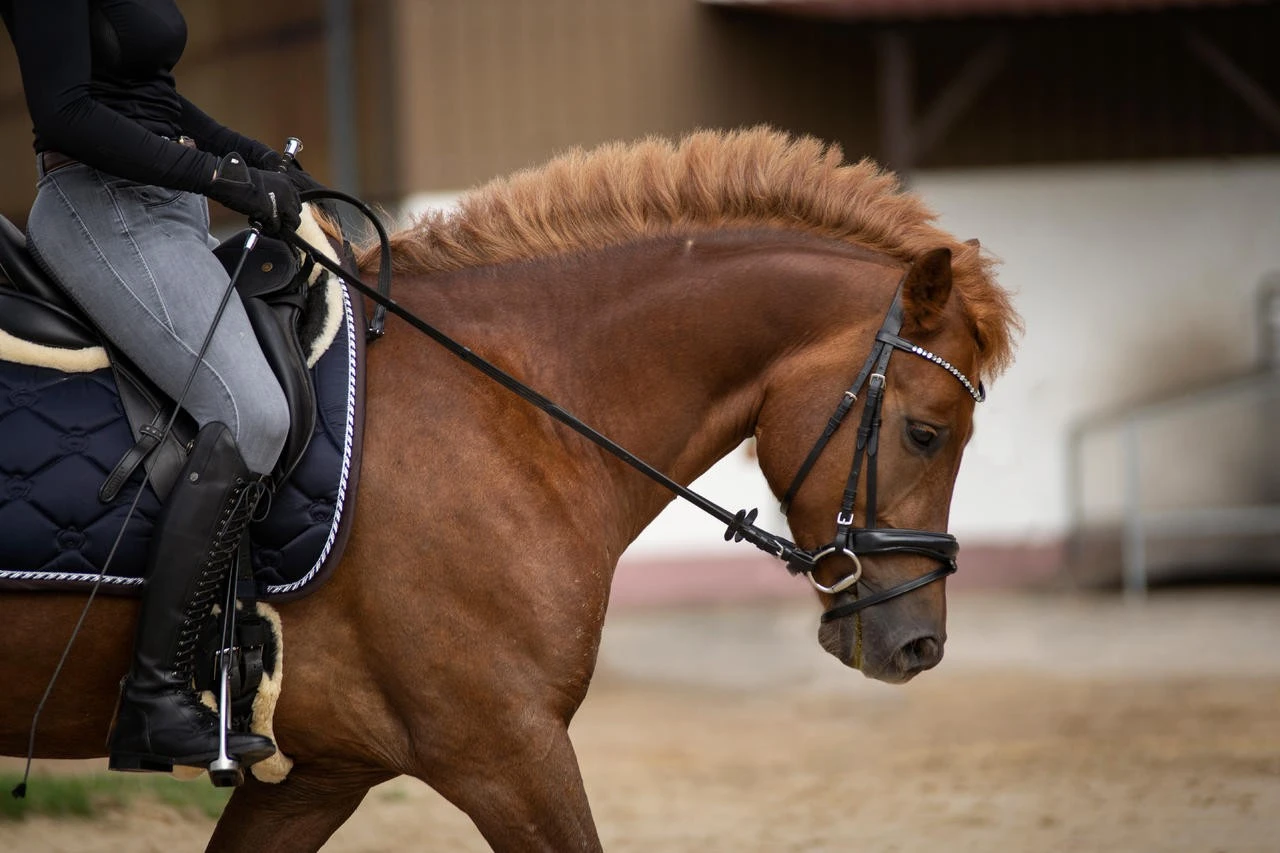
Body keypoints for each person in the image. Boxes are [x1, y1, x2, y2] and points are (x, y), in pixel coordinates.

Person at [0, 0, 321, 774]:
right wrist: (223, 178)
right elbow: (68, 113)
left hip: (169, 208)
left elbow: (151, 94)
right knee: (250, 415)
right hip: (102, 209)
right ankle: (155, 697)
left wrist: (250, 159)